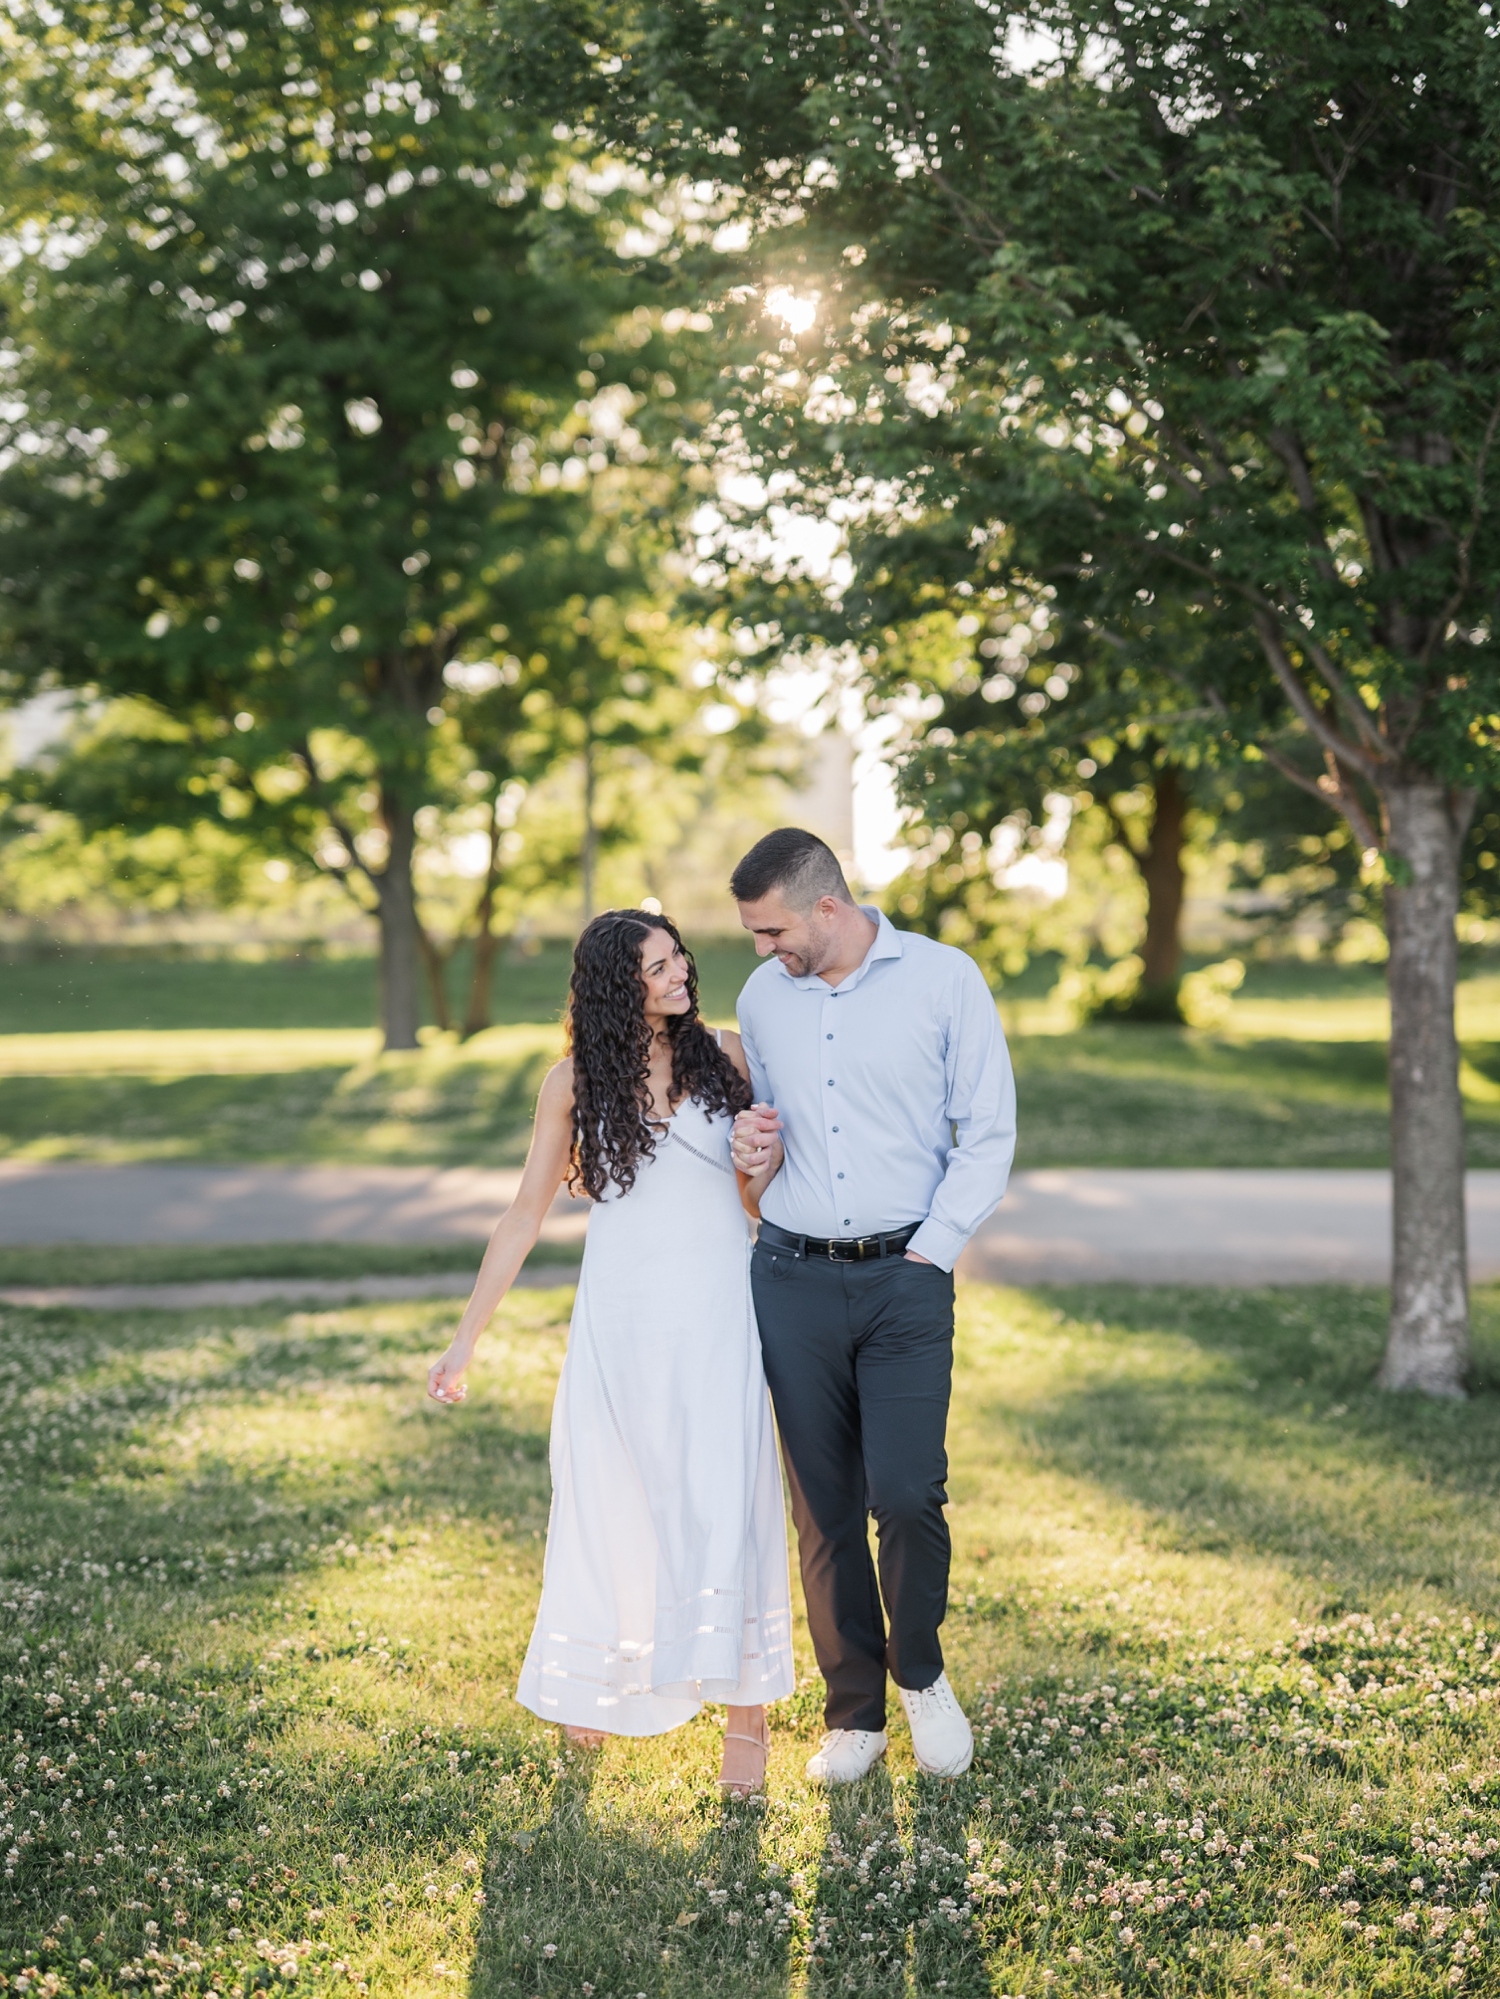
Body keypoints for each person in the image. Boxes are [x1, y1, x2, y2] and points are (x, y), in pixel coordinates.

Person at [427, 907, 794, 1796]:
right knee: (605, 1499)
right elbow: (524, 1214)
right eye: (655, 967)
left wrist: (763, 1159)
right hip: (620, 1324)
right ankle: (594, 1685)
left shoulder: (731, 1056)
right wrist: (464, 1339)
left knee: (728, 1499)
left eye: (678, 958)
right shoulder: (574, 1081)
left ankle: (745, 1719)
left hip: (716, 1319)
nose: (679, 975)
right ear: (612, 987)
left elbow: (756, 1201)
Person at [729, 828, 1016, 1786]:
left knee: (905, 1491)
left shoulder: (944, 979)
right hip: (792, 1277)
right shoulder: (764, 999)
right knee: (824, 1509)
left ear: (826, 906)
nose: (763, 952)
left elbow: (988, 1129)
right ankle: (853, 1713)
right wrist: (755, 1158)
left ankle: (922, 1674)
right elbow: (769, 1134)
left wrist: (931, 1252)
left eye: (772, 930)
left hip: (906, 1275)